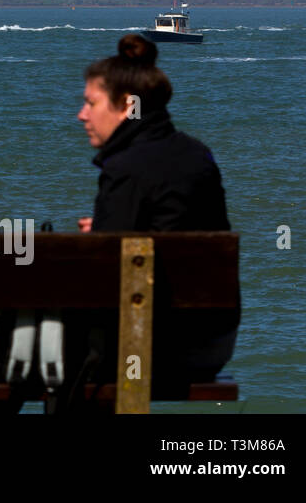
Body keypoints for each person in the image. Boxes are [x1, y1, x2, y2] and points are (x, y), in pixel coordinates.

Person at [66, 33, 238, 408]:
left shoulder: (126, 169)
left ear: (128, 105)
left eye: (90, 103)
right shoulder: (198, 155)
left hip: (146, 349)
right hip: (211, 344)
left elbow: (104, 276)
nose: (81, 114)